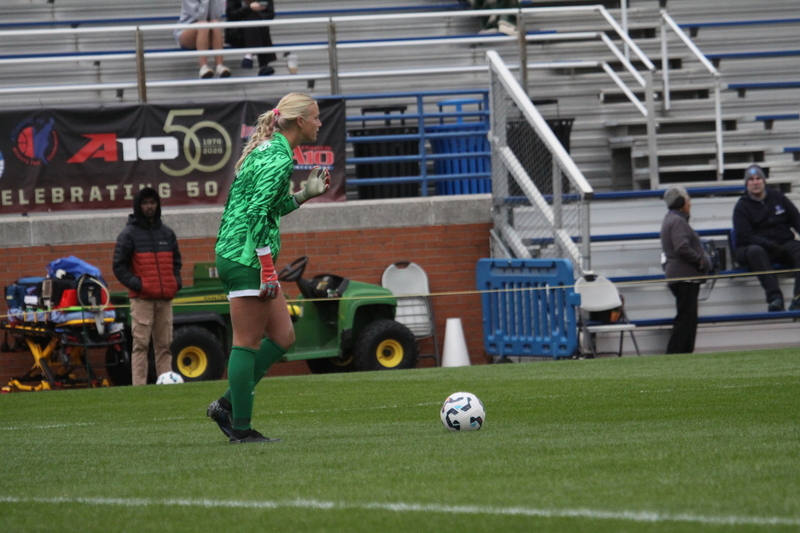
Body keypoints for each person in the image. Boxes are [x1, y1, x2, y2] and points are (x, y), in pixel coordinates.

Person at [207, 93, 330, 444]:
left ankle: (227, 404)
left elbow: (269, 208)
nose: (320, 123)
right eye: (316, 117)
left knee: (284, 337)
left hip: (244, 254)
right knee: (246, 341)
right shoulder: (277, 159)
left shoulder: (271, 149)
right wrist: (267, 268)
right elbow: (257, 215)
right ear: (300, 122)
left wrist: (304, 195)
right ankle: (241, 430)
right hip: (245, 257)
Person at [113, 188, 183, 386]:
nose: (149, 206)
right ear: (138, 206)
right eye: (145, 203)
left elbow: (176, 263)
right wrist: (139, 285)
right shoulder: (129, 234)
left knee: (165, 345)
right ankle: (139, 387)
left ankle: (166, 383)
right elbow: (118, 266)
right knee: (140, 345)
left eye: (153, 202)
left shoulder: (167, 233)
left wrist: (174, 283)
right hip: (141, 299)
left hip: (165, 298)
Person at [733, 164, 800, 312]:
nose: (755, 182)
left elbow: (796, 219)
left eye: (758, 178)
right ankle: (775, 298)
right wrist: (770, 245)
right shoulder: (741, 207)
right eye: (751, 179)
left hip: (783, 244)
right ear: (746, 184)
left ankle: (798, 299)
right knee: (755, 251)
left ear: (764, 181)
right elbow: (745, 237)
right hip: (756, 248)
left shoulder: (778, 197)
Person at [660, 186, 709, 354]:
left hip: (681, 277)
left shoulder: (671, 219)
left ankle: (684, 354)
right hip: (685, 277)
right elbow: (682, 247)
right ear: (681, 202)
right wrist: (700, 260)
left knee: (688, 319)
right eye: (688, 200)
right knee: (685, 319)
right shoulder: (678, 221)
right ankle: (675, 354)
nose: (690, 204)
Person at [175, 0, 231, 79]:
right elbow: (200, 16)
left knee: (215, 23)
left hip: (207, 32)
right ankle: (203, 67)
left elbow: (216, 15)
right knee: (203, 24)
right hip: (186, 31)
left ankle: (219, 66)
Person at [225, 0, 277, 76]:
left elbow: (270, 15)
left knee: (254, 17)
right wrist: (249, 8)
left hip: (258, 30)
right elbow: (231, 15)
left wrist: (256, 14)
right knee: (252, 17)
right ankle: (263, 65)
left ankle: (249, 55)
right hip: (237, 33)